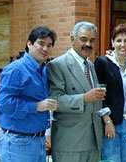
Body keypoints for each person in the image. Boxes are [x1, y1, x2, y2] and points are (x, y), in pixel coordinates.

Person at [0, 26, 58, 162]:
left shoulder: (43, 70)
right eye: (41, 44)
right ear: (29, 44)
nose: (45, 49)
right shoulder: (16, 69)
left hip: (38, 141)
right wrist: (36, 106)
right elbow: (4, 104)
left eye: (49, 45)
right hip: (18, 142)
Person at [47, 21, 105, 162]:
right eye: (83, 39)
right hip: (70, 142)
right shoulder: (57, 65)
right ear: (73, 39)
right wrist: (84, 98)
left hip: (93, 140)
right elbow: (55, 100)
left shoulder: (90, 65)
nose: (88, 44)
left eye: (92, 40)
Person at [94, 23, 126, 162]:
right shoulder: (102, 62)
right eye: (119, 40)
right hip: (110, 123)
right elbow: (98, 95)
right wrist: (107, 120)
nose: (123, 44)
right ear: (112, 42)